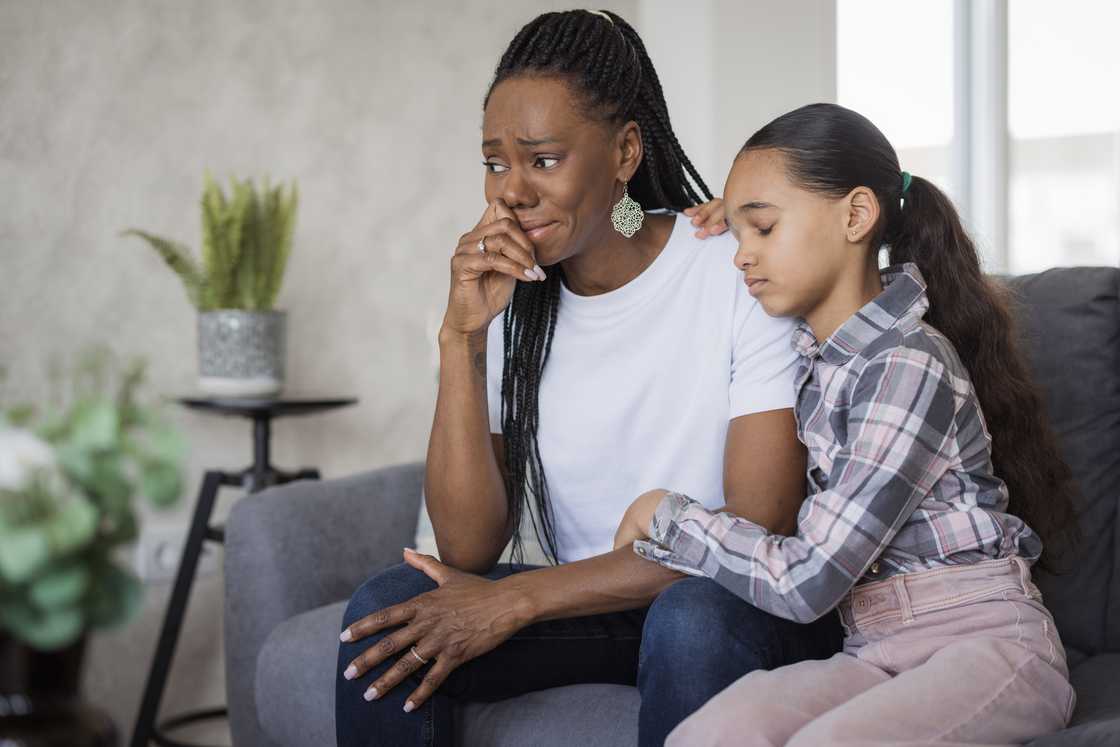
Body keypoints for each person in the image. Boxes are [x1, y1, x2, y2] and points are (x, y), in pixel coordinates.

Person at [335, 11, 840, 747]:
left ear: (625, 150)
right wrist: (461, 337)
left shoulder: (733, 268)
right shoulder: (515, 305)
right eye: (494, 162)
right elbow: (468, 547)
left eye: (542, 160)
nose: (510, 190)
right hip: (594, 608)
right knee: (387, 608)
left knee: (690, 616)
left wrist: (521, 599)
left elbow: (759, 524)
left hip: (734, 599)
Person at [616, 102, 1079, 746]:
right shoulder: (819, 361)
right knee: (705, 737)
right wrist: (745, 210)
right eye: (739, 234)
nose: (740, 257)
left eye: (764, 230)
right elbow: (783, 214)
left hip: (986, 645)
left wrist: (667, 513)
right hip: (876, 650)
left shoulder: (905, 366)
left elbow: (807, 581)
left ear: (857, 215)